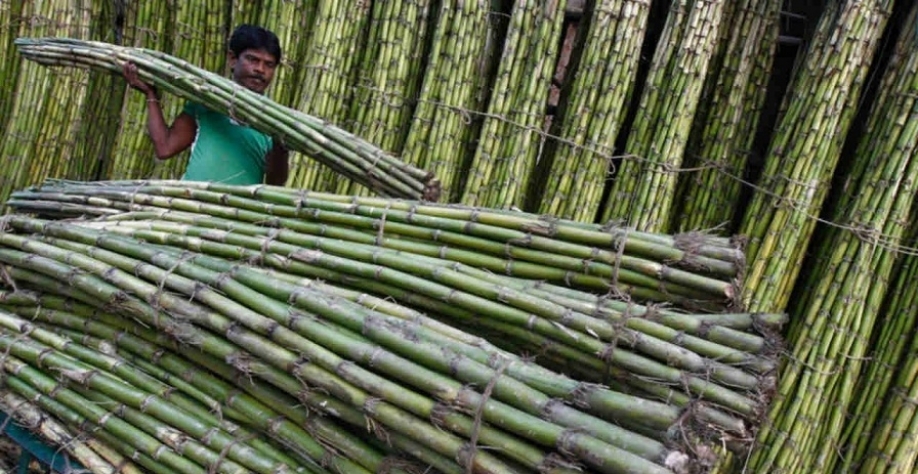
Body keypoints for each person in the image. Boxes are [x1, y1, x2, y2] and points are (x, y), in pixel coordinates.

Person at [123, 24, 289, 185]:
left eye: (269, 64)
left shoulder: (275, 119)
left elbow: (275, 181)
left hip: (237, 211)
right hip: (191, 205)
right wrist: (150, 94)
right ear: (232, 59)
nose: (260, 69)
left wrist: (280, 141)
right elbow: (165, 147)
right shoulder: (206, 101)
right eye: (252, 59)